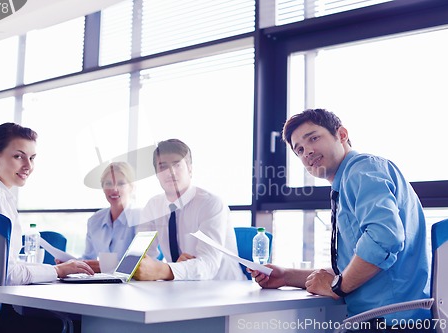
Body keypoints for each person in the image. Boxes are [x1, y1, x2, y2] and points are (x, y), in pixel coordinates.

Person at [251, 109, 431, 332]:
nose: (307, 151)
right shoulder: (349, 180)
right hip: (388, 321)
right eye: (299, 149)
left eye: (313, 138)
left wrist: (337, 286)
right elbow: (353, 268)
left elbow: (385, 239)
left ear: (342, 134)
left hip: (390, 323)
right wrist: (286, 276)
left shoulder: (362, 170)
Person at [0, 122, 94, 285]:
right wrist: (58, 271)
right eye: (18, 156)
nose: (28, 166)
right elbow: (6, 274)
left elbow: (0, 266)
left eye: (32, 158)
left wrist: (53, 269)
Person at [134, 139, 245, 281]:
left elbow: (208, 265)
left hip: (224, 290)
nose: (171, 172)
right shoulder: (153, 206)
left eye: (177, 165)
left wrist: (165, 270)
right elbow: (139, 258)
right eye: (163, 167)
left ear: (190, 169)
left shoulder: (211, 203)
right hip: (179, 289)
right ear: (156, 173)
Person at [81, 161, 138, 272]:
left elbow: (142, 264)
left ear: (131, 187)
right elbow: (88, 258)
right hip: (103, 283)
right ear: (102, 188)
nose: (114, 189)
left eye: (121, 184)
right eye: (108, 184)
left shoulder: (140, 218)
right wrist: (70, 264)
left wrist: (106, 267)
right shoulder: (94, 221)